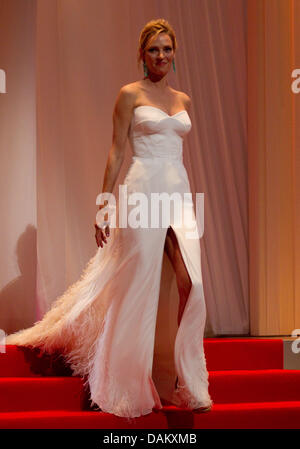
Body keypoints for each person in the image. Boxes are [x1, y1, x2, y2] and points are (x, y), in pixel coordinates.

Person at [5, 18, 213, 418]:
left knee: (192, 283)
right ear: (142, 54)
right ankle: (124, 382)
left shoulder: (184, 100)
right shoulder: (129, 95)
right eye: (154, 49)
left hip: (179, 192)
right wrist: (104, 206)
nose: (162, 56)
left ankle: (184, 378)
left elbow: (176, 149)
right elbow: (117, 151)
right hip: (140, 190)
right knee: (138, 283)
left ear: (175, 52)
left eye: (167, 49)